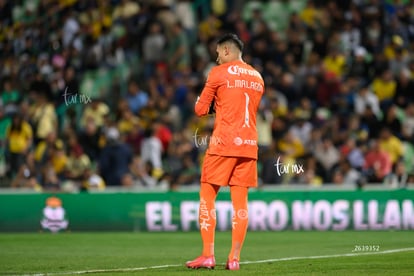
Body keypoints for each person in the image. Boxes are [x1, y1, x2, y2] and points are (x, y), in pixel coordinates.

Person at [186, 33, 264, 271]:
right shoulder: (257, 77)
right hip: (249, 145)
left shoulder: (218, 73)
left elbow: (200, 109)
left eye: (218, 52)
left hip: (224, 142)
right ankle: (234, 259)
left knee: (207, 195)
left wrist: (211, 105)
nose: (217, 57)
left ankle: (208, 255)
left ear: (227, 50)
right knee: (240, 202)